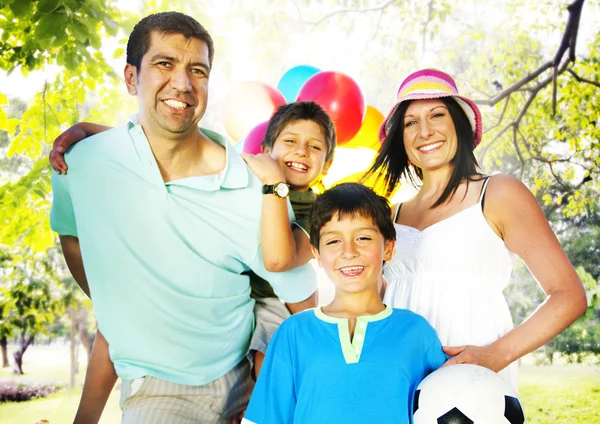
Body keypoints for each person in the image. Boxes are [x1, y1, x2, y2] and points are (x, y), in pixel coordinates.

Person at [50, 12, 317, 424]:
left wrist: (282, 395)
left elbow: (302, 301)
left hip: (247, 377)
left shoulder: (255, 186)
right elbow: (72, 235)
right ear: (131, 78)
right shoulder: (82, 163)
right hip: (159, 389)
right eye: (164, 64)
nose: (183, 83)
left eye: (198, 70)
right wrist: (116, 303)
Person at [50, 101, 336, 384]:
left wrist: (275, 183)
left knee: (268, 358)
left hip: (271, 300)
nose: (301, 151)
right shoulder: (246, 175)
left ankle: (259, 412)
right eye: (290, 141)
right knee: (114, 330)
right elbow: (161, 150)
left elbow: (278, 261)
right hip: (220, 293)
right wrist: (88, 131)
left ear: (327, 164)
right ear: (265, 150)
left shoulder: (318, 211)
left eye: (314, 147)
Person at [364, 68, 587, 389]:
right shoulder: (391, 214)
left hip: (474, 385)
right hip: (399, 380)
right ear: (401, 138)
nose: (424, 131)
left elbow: (569, 296)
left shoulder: (498, 193)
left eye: (437, 115)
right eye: (411, 122)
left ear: (461, 125)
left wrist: (496, 355)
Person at [242, 183, 447, 424]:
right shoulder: (294, 332)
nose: (348, 252)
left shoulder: (416, 332)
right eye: (333, 242)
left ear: (389, 248)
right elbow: (265, 418)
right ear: (317, 254)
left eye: (363, 237)